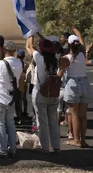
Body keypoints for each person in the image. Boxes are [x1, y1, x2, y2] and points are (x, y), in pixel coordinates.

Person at [0, 41, 22, 160]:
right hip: (11, 97)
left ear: (4, 50)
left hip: (0, 96)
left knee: (0, 124)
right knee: (10, 123)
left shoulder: (0, 63)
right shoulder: (19, 63)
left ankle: (3, 151)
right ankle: (13, 149)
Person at [26, 35, 60, 154]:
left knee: (42, 122)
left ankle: (45, 147)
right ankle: (56, 146)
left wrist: (31, 34)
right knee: (53, 121)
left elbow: (31, 46)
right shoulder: (56, 59)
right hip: (54, 93)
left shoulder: (39, 59)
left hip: (41, 93)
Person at [62, 20, 93, 148]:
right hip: (85, 82)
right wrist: (72, 26)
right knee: (83, 115)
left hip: (73, 83)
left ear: (68, 45)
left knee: (74, 115)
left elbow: (60, 72)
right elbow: (80, 36)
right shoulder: (81, 54)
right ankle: (83, 140)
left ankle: (76, 140)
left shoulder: (67, 58)